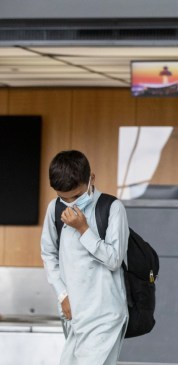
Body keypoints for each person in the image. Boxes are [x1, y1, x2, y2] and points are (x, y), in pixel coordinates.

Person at [41, 150, 129, 365]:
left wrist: (83, 229)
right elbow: (48, 253)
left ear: (91, 179)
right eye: (64, 198)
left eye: (77, 196)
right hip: (73, 314)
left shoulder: (111, 208)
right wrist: (63, 295)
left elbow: (114, 260)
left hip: (105, 315)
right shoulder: (54, 208)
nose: (71, 203)